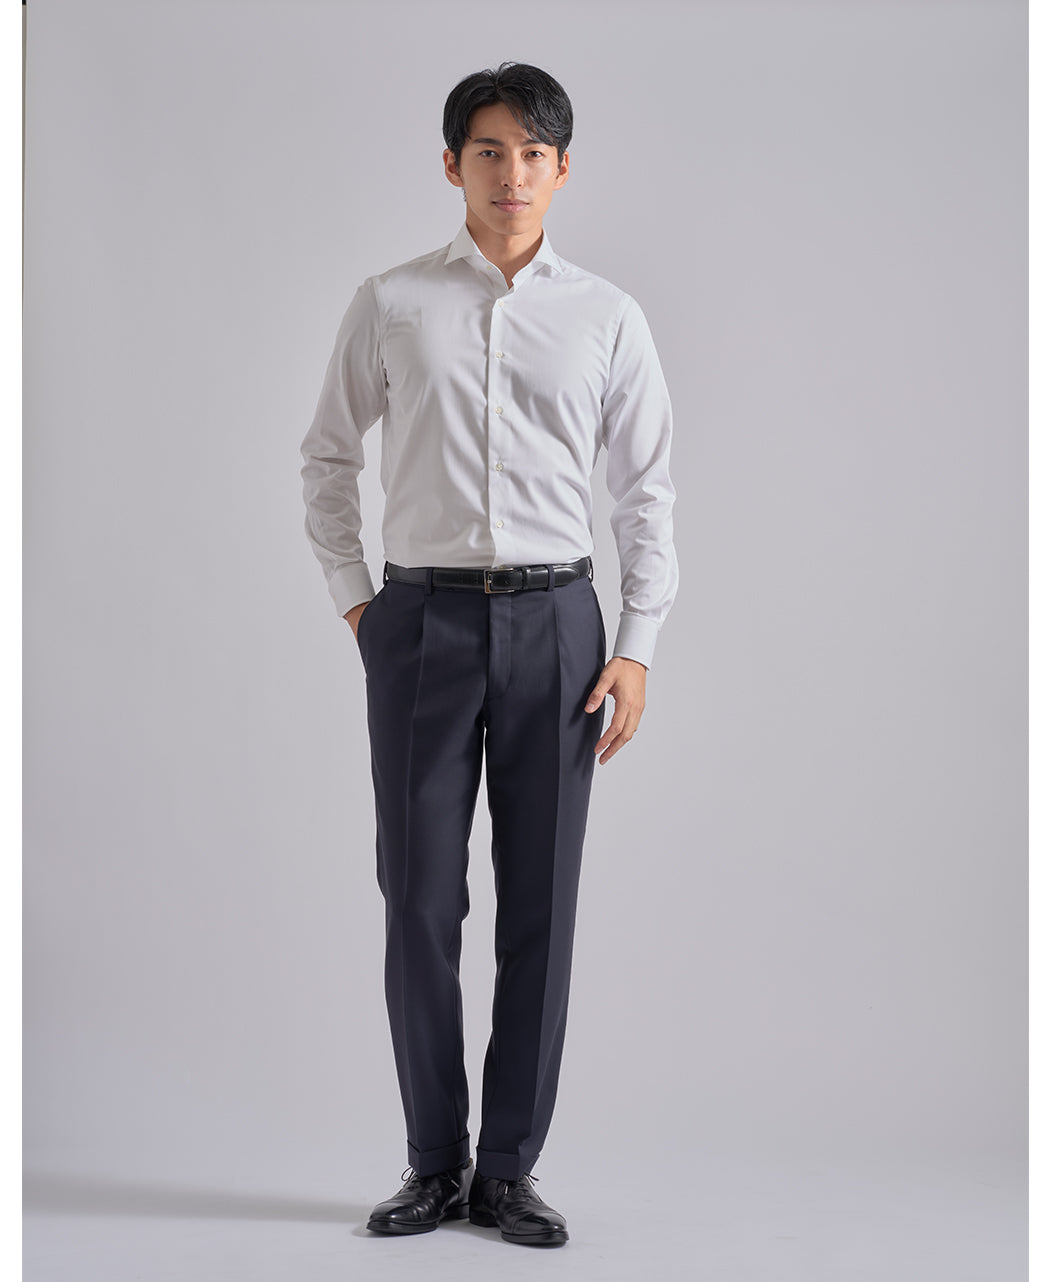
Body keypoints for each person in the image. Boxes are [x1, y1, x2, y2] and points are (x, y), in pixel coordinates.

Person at [299, 61, 678, 1248]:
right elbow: (325, 458)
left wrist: (637, 643)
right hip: (420, 624)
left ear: (561, 169)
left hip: (561, 626)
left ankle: (506, 1170)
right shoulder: (391, 301)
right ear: (451, 163)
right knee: (417, 897)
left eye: (531, 153)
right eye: (488, 150)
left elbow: (646, 492)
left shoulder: (607, 316)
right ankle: (432, 1161)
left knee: (541, 906)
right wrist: (362, 607)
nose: (510, 173)